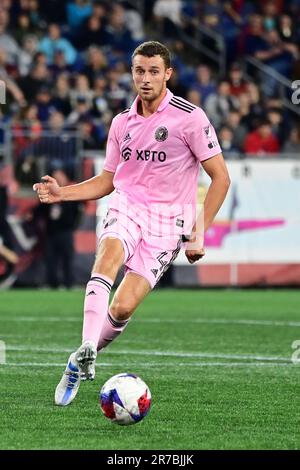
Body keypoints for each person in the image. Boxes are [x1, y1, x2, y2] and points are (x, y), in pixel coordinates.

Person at [33, 41, 230, 407]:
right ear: (132, 73)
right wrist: (63, 194)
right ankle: (89, 345)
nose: (145, 78)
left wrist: (199, 231)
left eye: (154, 71)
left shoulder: (190, 118)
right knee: (107, 257)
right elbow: (108, 181)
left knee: (122, 307)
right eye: (139, 70)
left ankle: (78, 361)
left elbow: (220, 178)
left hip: (167, 225)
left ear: (167, 74)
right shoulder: (121, 122)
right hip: (126, 206)